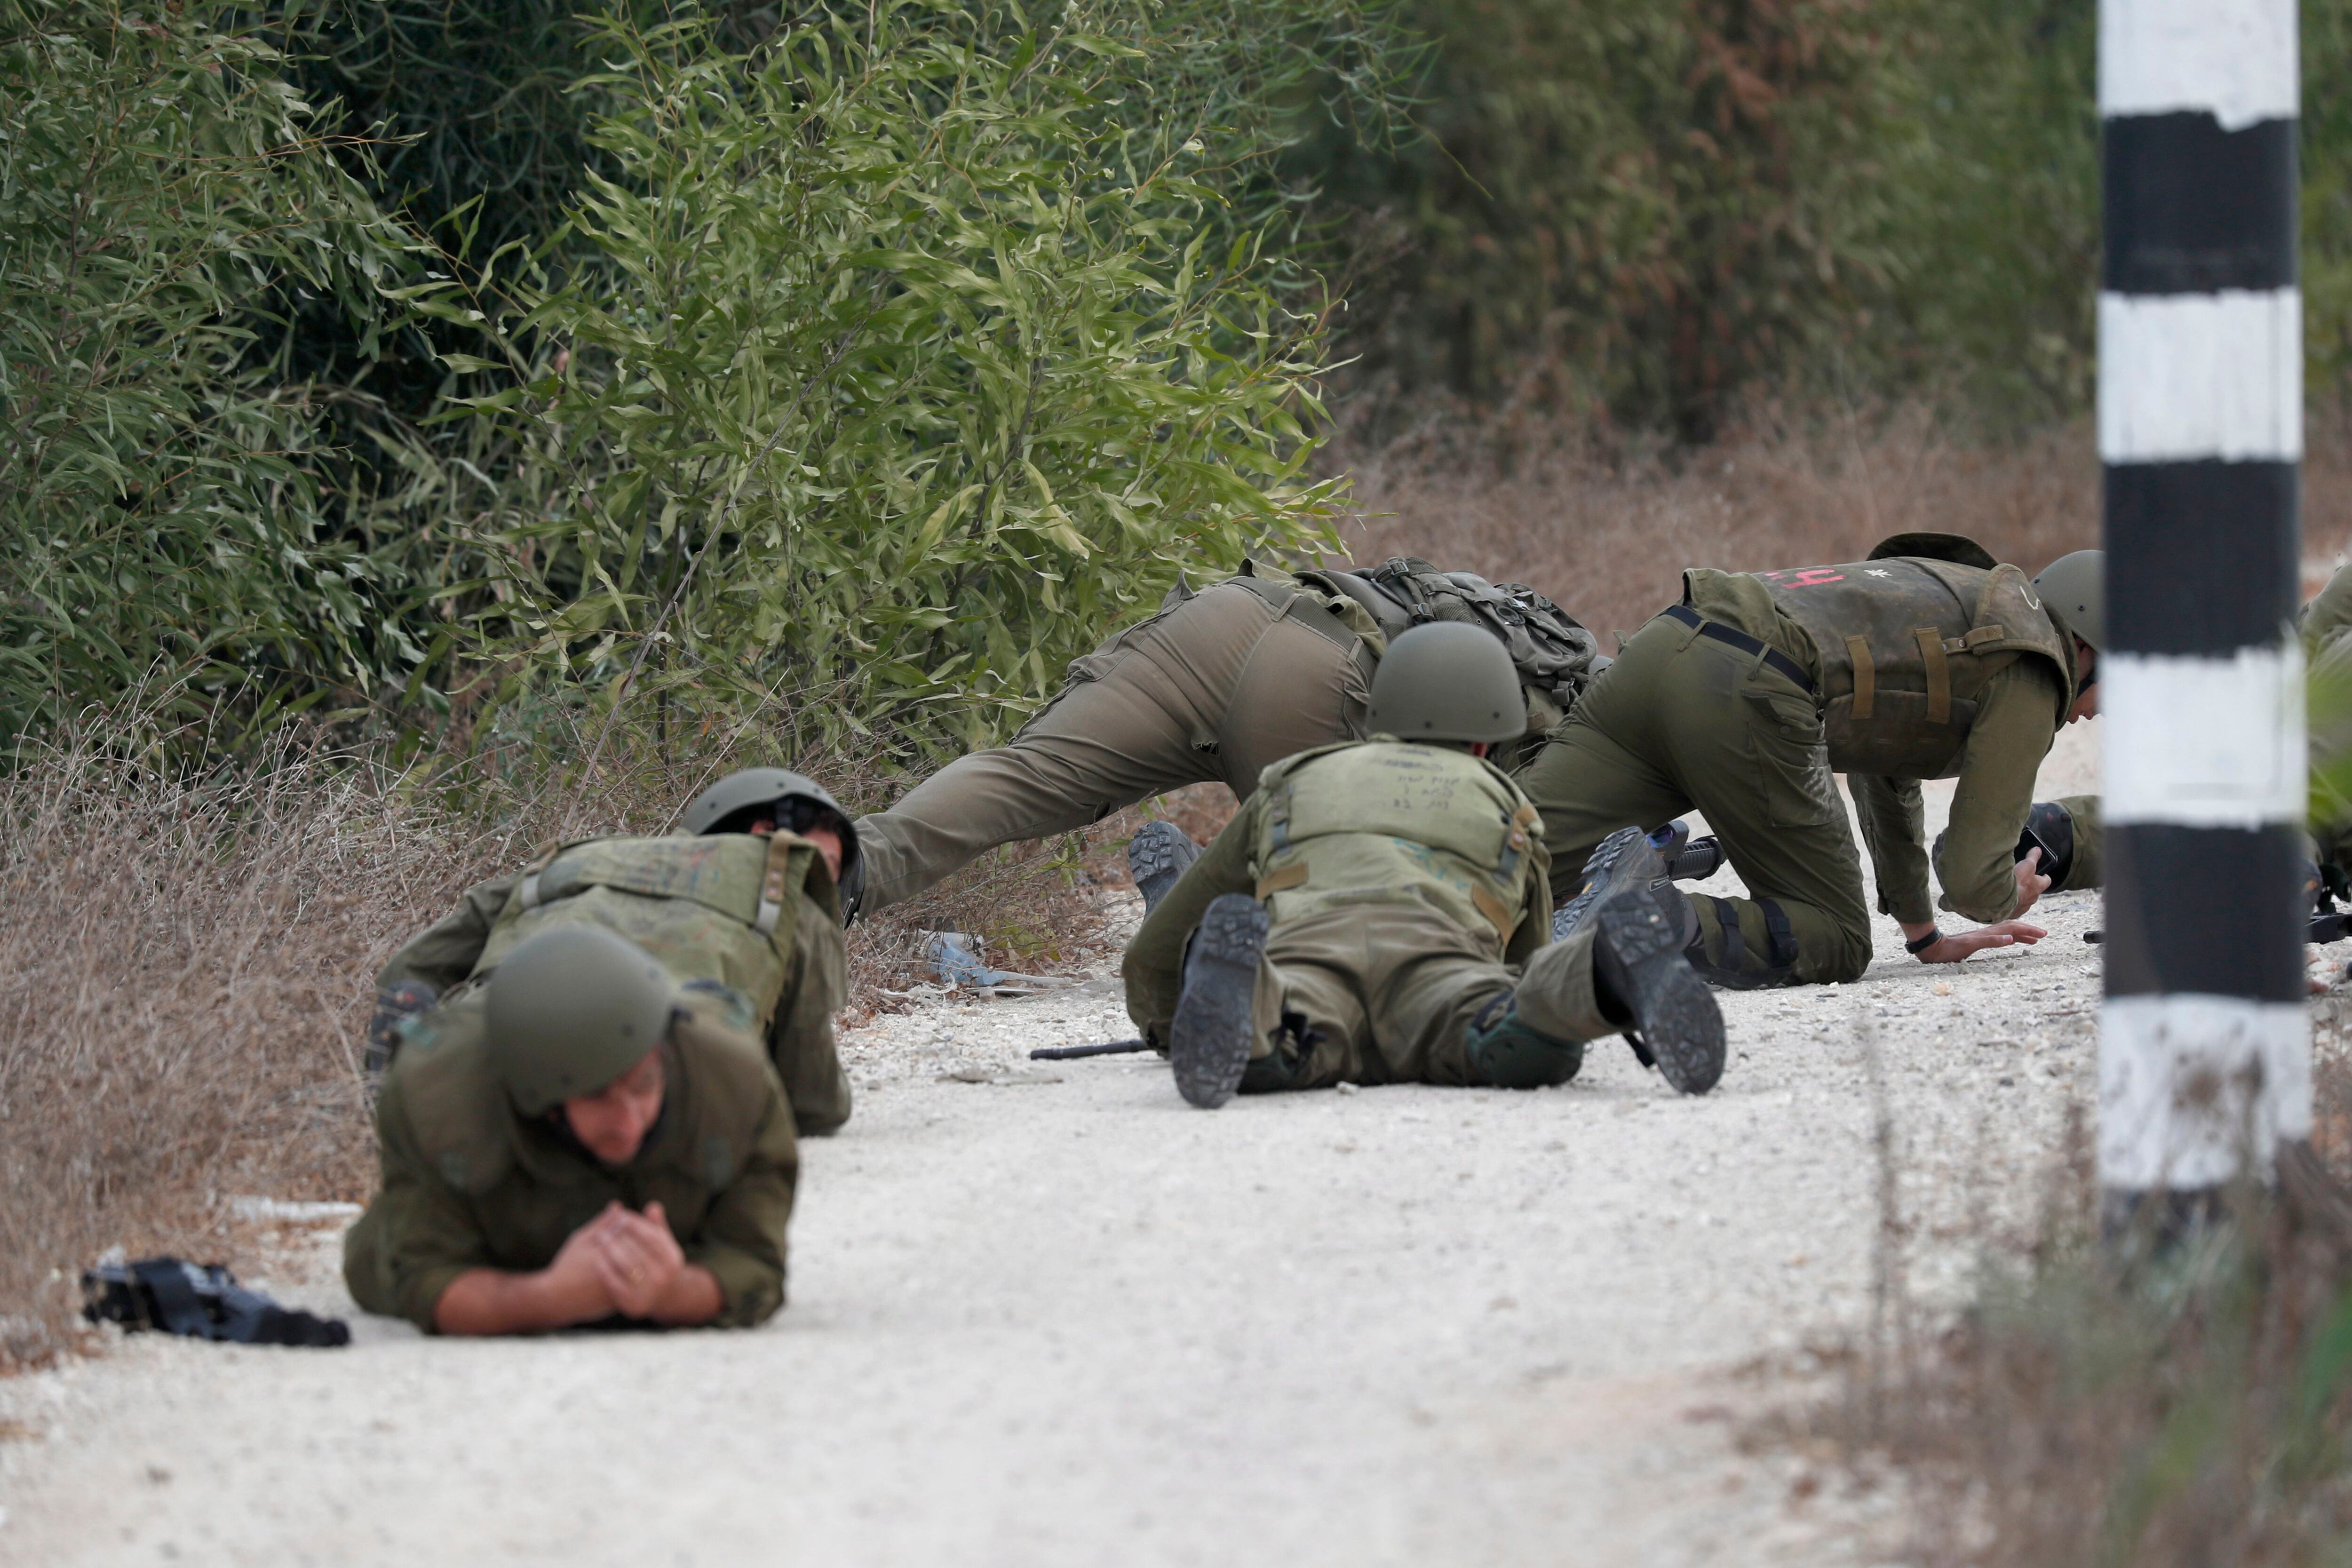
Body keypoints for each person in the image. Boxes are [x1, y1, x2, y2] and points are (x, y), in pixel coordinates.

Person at [1120, 621, 1725, 1107]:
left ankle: (1247, 991)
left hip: (1308, 967)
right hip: (1442, 977)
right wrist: (1525, 993)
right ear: (1489, 741)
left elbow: (1154, 951)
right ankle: (1600, 968)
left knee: (1275, 1041)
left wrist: (1169, 1029)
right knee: (1530, 1038)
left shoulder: (1292, 783)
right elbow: (1525, 957)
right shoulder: (1507, 807)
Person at [847, 557, 1603, 919]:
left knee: (1025, 775)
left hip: (1225, 618)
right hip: (1319, 677)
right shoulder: (1576, 709)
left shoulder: (1500, 622)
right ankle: (1199, 915)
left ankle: (840, 866)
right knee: (1349, 904)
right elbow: (1501, 847)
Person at [1515, 533, 2104, 988]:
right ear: (2087, 646)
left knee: (1506, 869)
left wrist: (1923, 935)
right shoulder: (2033, 662)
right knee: (1835, 937)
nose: (2104, 713)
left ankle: (1451, 924)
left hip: (1667, 645)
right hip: (1748, 685)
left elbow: (1888, 765)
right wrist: (2006, 894)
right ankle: (1633, 915)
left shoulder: (1969, 600)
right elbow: (1975, 877)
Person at [342, 924, 801, 1335]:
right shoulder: (438, 1101)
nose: (629, 1123)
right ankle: (418, 1025)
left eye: (644, 1084)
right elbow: (428, 1280)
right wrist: (549, 1299)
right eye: (597, 1095)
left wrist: (672, 1293)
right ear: (537, 1097)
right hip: (498, 1232)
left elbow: (755, 1266)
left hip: (674, 1251)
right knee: (370, 1266)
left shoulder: (732, 1077)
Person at [368, 768, 854, 1135]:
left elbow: (407, 970)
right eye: (822, 863)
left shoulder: (571, 863)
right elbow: (814, 1103)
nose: (826, 883)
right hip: (649, 1085)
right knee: (700, 1037)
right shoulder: (785, 903)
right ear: (764, 835)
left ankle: (410, 1088)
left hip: (500, 1042)